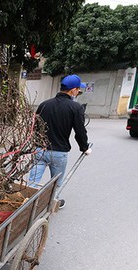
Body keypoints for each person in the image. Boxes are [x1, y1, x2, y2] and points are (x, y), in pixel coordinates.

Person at [28, 74, 92, 209]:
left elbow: (34, 127)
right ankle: (52, 202)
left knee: (32, 183)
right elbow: (80, 132)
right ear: (73, 90)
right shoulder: (75, 108)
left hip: (39, 149)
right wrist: (85, 148)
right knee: (55, 183)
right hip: (58, 152)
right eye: (78, 90)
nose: (78, 92)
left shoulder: (44, 104)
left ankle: (26, 205)